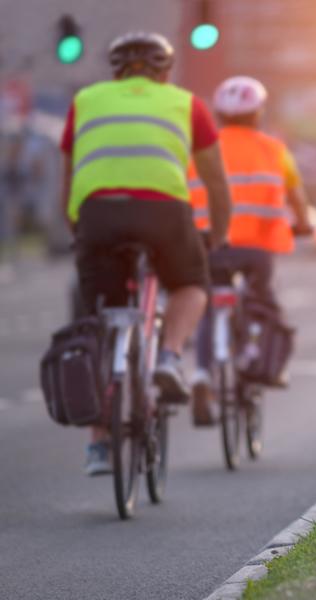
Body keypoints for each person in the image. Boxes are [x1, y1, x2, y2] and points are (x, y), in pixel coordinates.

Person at [60, 31, 232, 475]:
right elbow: (215, 182)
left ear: (115, 71)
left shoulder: (86, 101)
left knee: (99, 320)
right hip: (164, 213)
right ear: (166, 71)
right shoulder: (186, 103)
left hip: (98, 215)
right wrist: (217, 235)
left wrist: (77, 225)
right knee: (192, 285)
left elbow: (70, 171)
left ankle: (98, 446)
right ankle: (170, 356)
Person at [187, 76, 312, 425]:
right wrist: (304, 223)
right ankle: (253, 352)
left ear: (218, 115)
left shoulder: (200, 150)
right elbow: (297, 197)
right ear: (258, 113)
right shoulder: (275, 150)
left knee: (209, 306)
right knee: (261, 302)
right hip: (257, 249)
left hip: (209, 244)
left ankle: (201, 375)